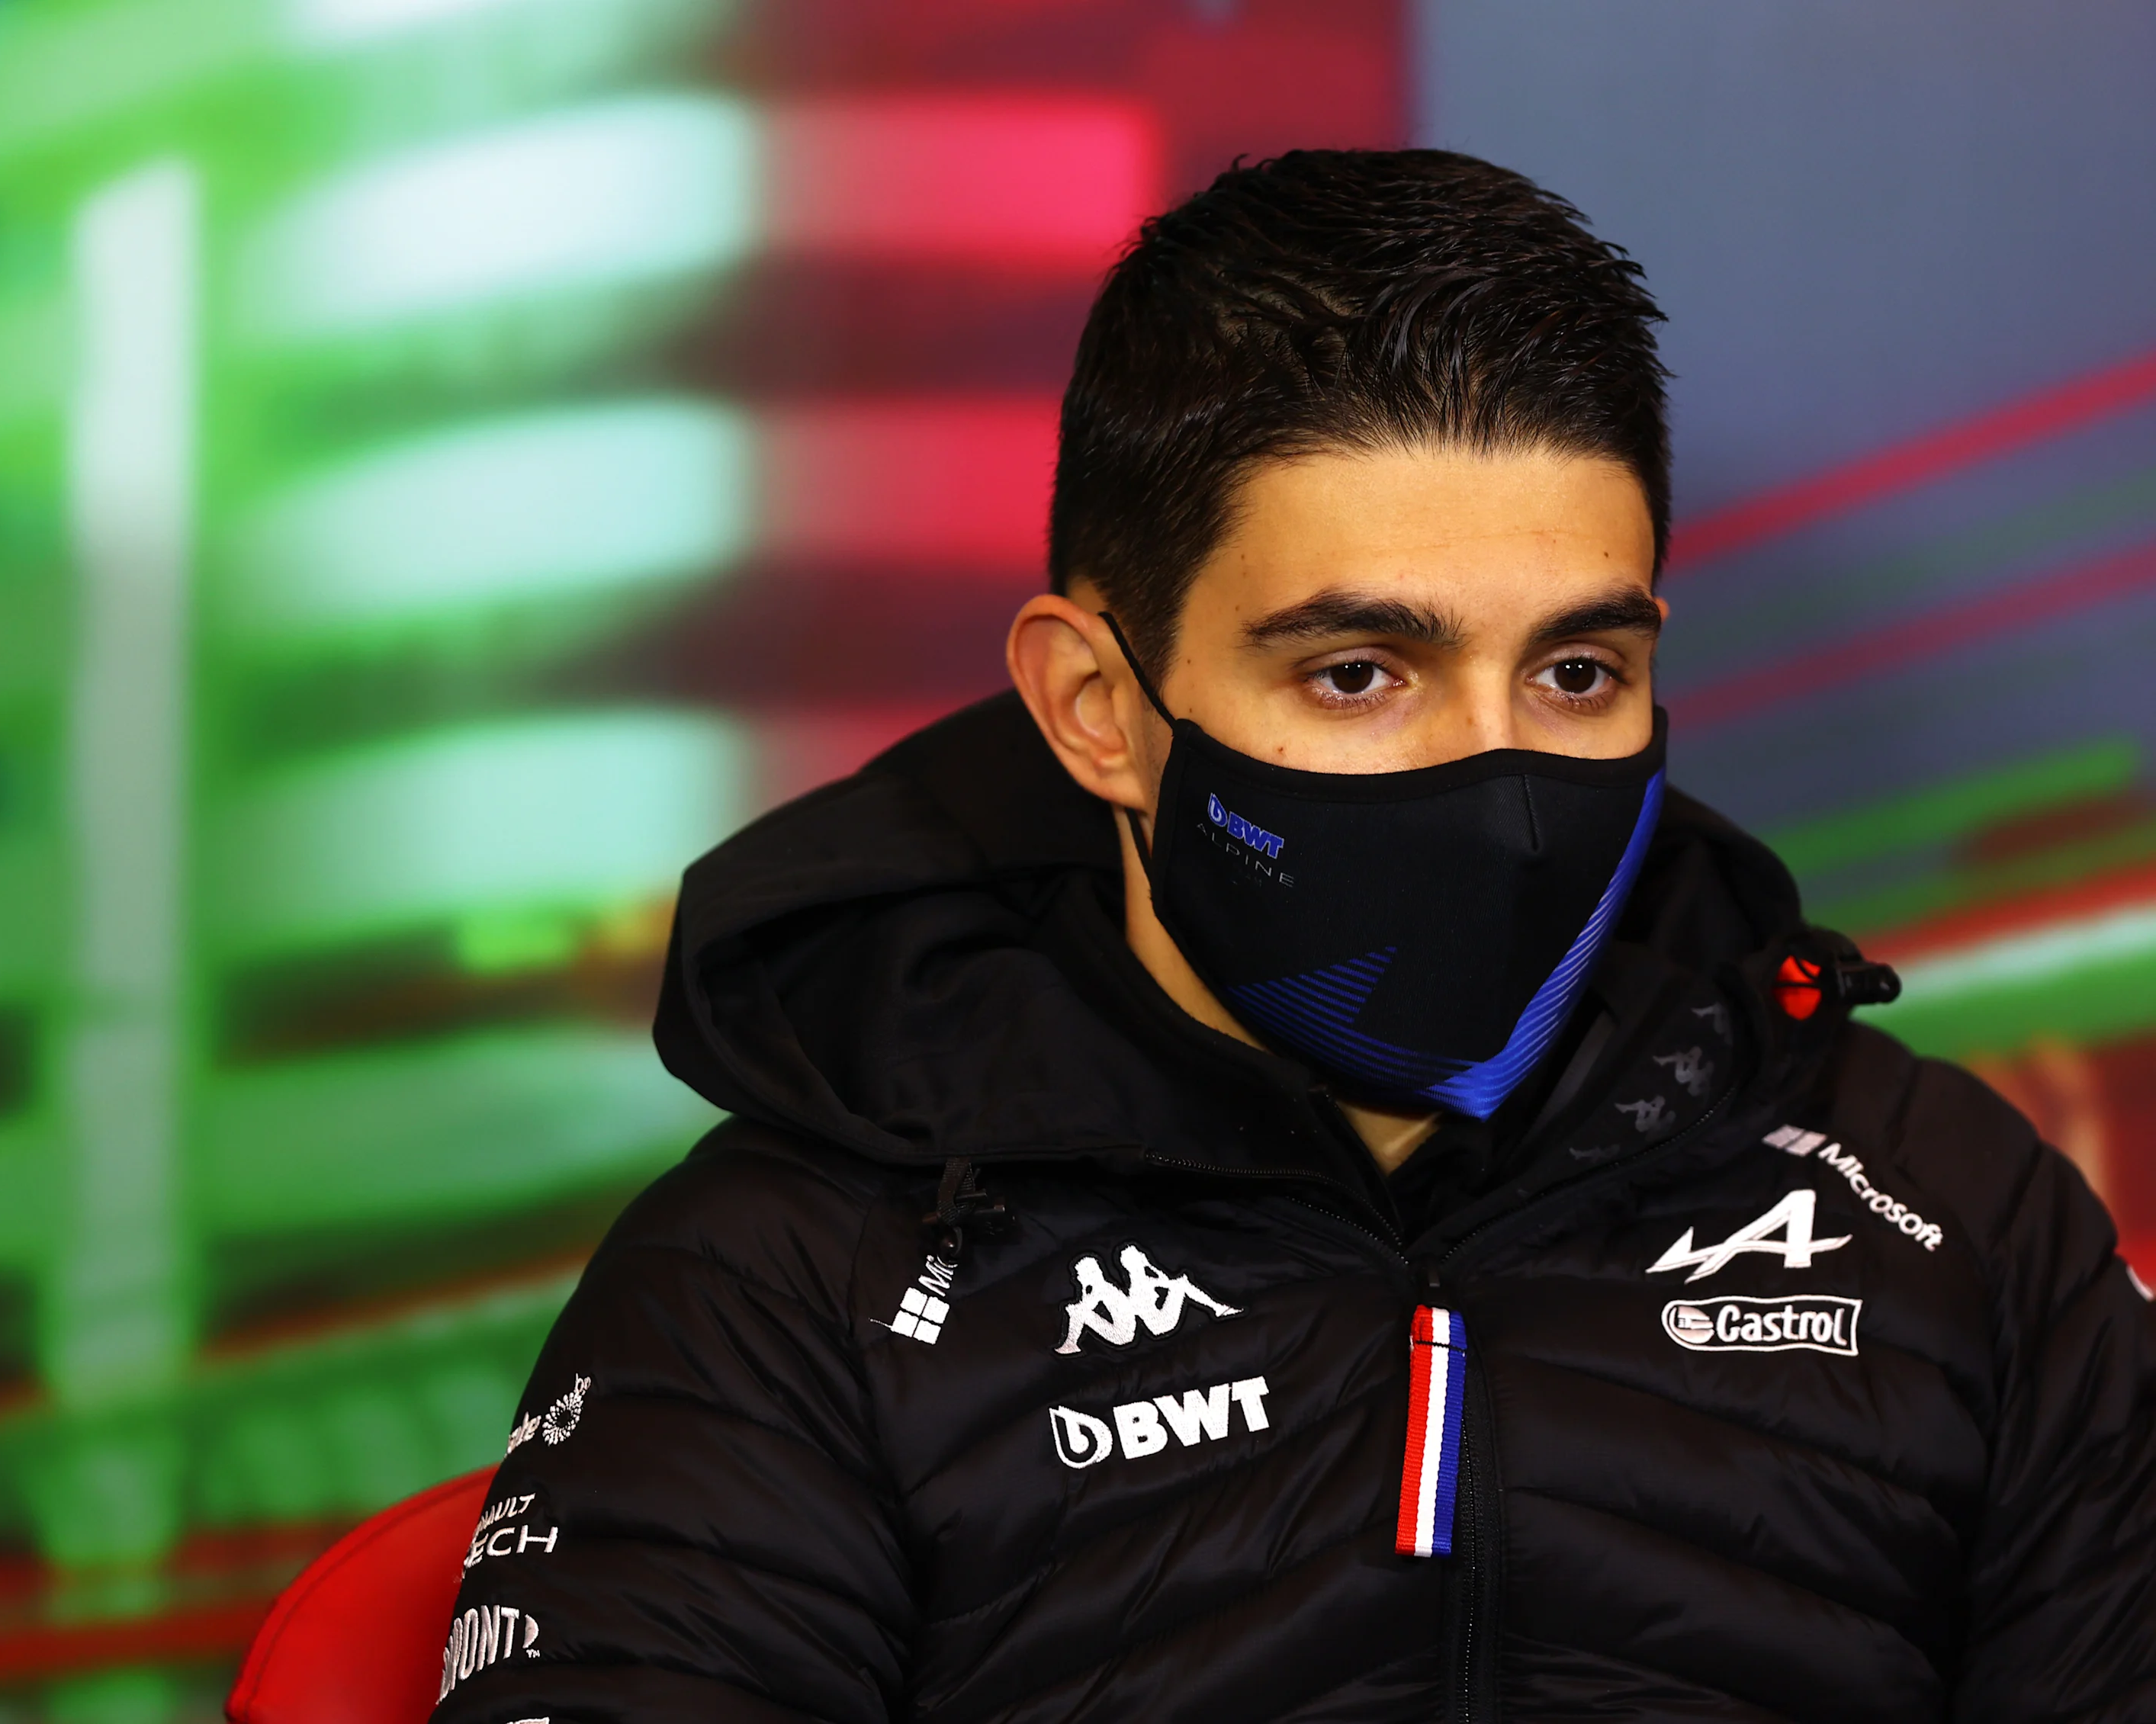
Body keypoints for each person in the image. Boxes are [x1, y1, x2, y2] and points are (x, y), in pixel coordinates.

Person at [431, 150, 2156, 1722]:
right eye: (1358, 673)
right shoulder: (784, 1274)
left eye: (1575, 671)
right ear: (1099, 707)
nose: (1494, 780)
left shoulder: (1951, 1209)